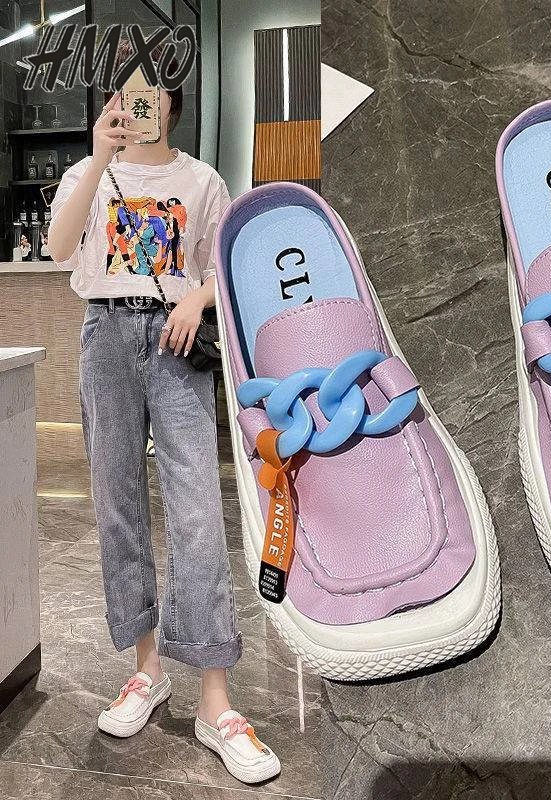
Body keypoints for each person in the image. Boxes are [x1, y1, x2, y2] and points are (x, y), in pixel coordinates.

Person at [48, 50, 279, 784]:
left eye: (146, 96)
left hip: (176, 342)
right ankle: (147, 669)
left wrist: (196, 299)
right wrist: (97, 159)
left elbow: (220, 269)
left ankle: (216, 700)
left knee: (198, 510)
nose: (133, 107)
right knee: (117, 504)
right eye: (122, 97)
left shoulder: (201, 181)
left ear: (171, 105)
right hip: (105, 336)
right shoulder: (89, 174)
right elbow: (58, 249)